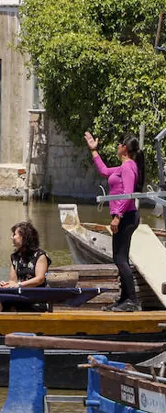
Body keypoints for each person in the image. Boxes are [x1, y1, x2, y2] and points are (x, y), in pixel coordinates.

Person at [85, 131, 146, 312]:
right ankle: (124, 299)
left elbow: (127, 194)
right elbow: (104, 171)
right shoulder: (123, 167)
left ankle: (132, 301)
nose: (117, 146)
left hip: (126, 217)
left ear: (124, 148)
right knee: (120, 258)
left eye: (119, 144)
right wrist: (94, 150)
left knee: (120, 259)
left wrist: (117, 217)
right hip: (124, 216)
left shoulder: (128, 167)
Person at [0, 221, 50, 288]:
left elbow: (40, 279)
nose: (11, 237)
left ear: (24, 237)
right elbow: (13, 281)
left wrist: (19, 285)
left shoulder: (40, 255)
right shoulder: (15, 256)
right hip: (21, 293)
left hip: (38, 294)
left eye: (14, 234)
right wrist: (7, 284)